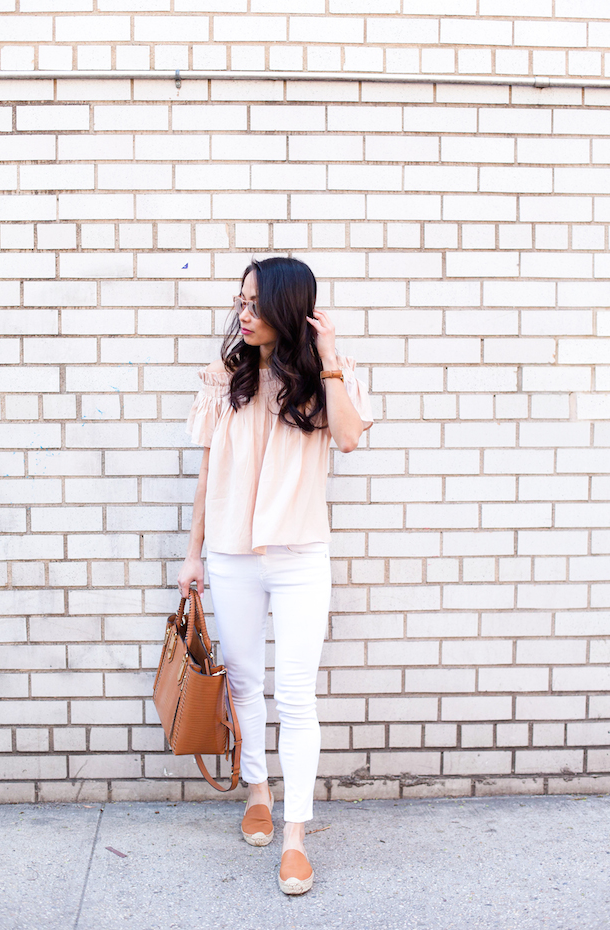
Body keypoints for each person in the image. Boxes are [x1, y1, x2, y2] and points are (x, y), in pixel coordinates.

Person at [178, 256, 373, 895]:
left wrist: (329, 350)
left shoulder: (323, 381)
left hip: (299, 559)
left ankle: (295, 833)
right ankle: (257, 792)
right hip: (231, 557)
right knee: (243, 682)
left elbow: (347, 438)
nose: (243, 313)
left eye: (256, 303)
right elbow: (208, 477)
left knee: (295, 695)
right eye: (240, 301)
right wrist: (192, 555)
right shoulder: (223, 379)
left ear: (288, 309)